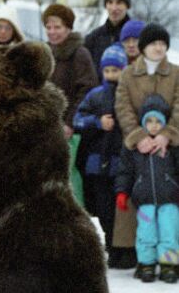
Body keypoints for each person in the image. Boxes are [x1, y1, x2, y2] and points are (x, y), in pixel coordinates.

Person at [114, 23, 179, 270]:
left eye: (163, 43)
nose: (158, 48)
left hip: (170, 150)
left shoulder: (176, 73)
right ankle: (142, 257)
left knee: (170, 211)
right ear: (143, 48)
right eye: (153, 43)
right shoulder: (128, 74)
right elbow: (123, 108)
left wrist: (167, 135)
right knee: (140, 208)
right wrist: (138, 136)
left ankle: (171, 259)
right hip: (137, 151)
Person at [115, 94, 179, 283]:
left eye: (157, 121)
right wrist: (122, 192)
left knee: (169, 233)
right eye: (148, 121)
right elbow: (124, 172)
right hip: (144, 202)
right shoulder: (134, 148)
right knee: (145, 234)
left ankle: (169, 265)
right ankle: (146, 264)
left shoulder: (173, 147)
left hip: (170, 200)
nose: (153, 125)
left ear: (164, 123)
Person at [73, 44, 128, 264]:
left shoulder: (126, 94)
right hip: (97, 163)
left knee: (121, 208)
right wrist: (97, 122)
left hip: (122, 161)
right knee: (103, 209)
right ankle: (111, 244)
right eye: (107, 71)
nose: (111, 75)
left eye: (116, 70)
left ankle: (123, 247)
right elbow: (78, 119)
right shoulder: (95, 95)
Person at [43, 3, 98, 139]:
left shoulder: (79, 53)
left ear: (68, 28)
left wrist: (70, 122)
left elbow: (87, 90)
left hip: (71, 129)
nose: (52, 32)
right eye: (48, 27)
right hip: (48, 127)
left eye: (57, 27)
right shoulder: (45, 53)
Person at [85, 0, 132, 78]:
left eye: (119, 3)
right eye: (110, 2)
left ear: (127, 6)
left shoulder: (136, 35)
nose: (114, 8)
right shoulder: (94, 38)